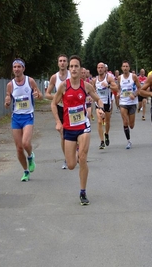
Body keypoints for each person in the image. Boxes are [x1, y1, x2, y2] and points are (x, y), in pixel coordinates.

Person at [51, 55, 105, 206]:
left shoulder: (86, 86)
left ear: (81, 69)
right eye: (72, 66)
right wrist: (58, 122)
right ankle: (75, 153)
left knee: (83, 158)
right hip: (69, 128)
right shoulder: (63, 86)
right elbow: (54, 104)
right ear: (69, 69)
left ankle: (83, 191)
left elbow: (98, 99)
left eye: (76, 66)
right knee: (71, 165)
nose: (74, 69)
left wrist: (100, 108)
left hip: (83, 126)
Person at [4, 58, 42, 181]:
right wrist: (7, 102)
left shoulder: (30, 81)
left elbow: (39, 95)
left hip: (28, 116)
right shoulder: (10, 85)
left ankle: (30, 156)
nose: (16, 69)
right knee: (19, 148)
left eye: (19, 67)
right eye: (14, 67)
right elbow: (7, 100)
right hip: (16, 117)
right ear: (12, 69)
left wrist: (37, 95)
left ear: (23, 68)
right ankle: (25, 171)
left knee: (25, 143)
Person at [45, 54, 71, 169]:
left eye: (64, 61)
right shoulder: (54, 78)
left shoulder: (72, 74)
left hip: (72, 108)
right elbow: (47, 94)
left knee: (76, 132)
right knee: (63, 134)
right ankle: (66, 158)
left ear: (67, 63)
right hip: (60, 108)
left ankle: (77, 151)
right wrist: (57, 97)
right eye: (60, 61)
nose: (62, 63)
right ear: (58, 63)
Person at [117, 60, 141, 149]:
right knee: (125, 122)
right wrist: (118, 93)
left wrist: (134, 94)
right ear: (121, 68)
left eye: (127, 66)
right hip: (123, 102)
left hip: (132, 102)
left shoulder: (133, 76)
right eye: (124, 66)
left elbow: (140, 88)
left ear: (129, 68)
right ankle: (128, 141)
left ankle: (129, 134)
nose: (125, 68)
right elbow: (118, 89)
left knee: (131, 125)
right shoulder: (120, 78)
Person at [93, 62, 117, 149]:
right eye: (98, 67)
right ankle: (102, 141)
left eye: (101, 67)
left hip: (107, 103)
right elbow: (92, 91)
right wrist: (92, 97)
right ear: (97, 69)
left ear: (104, 69)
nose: (100, 69)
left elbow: (117, 88)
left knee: (107, 121)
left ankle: (106, 133)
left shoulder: (109, 78)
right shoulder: (95, 80)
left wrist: (109, 86)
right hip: (98, 103)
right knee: (99, 121)